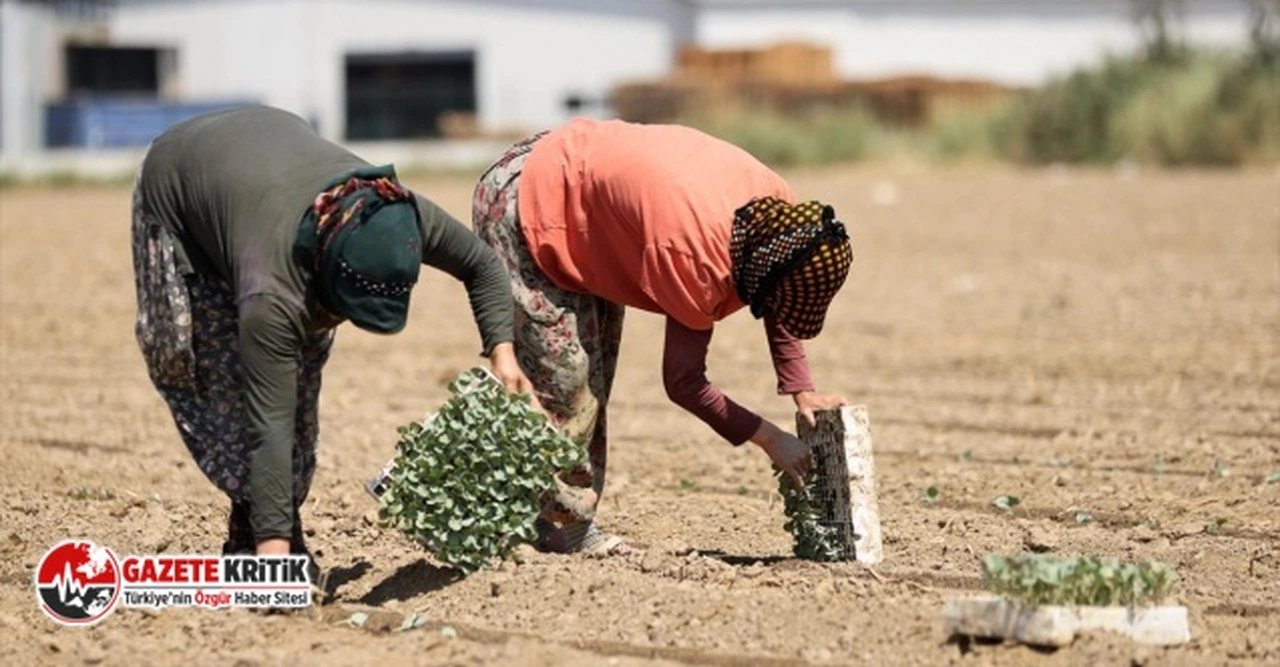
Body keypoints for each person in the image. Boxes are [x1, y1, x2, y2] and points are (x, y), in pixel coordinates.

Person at [130, 105, 534, 569]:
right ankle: (258, 537)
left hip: (266, 163)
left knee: (300, 372)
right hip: (180, 184)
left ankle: (266, 521)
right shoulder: (273, 291)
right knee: (219, 375)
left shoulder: (397, 212)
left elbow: (482, 266)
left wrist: (503, 354)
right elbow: (271, 427)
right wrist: (275, 561)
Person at [471, 118, 855, 554]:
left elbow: (782, 287)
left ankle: (563, 524)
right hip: (527, 201)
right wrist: (769, 438)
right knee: (567, 382)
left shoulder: (781, 217)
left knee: (592, 380)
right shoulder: (694, 255)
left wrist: (802, 390)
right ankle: (534, 520)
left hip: (587, 199)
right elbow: (684, 382)